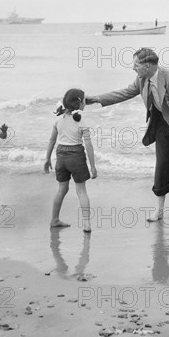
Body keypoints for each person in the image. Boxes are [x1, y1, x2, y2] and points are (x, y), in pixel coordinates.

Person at [86, 48, 169, 222]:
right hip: (161, 124)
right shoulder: (142, 79)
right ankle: (159, 211)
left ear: (147, 65)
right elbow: (123, 93)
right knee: (161, 165)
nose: (133, 68)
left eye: (136, 65)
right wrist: (96, 99)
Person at [44, 88, 97, 232]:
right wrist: (93, 166)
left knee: (61, 189)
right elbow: (88, 145)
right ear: (79, 103)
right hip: (76, 156)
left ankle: (54, 219)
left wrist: (47, 158)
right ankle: (86, 224)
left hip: (60, 156)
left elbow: (52, 140)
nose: (86, 102)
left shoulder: (58, 119)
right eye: (85, 100)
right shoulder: (82, 121)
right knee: (81, 191)